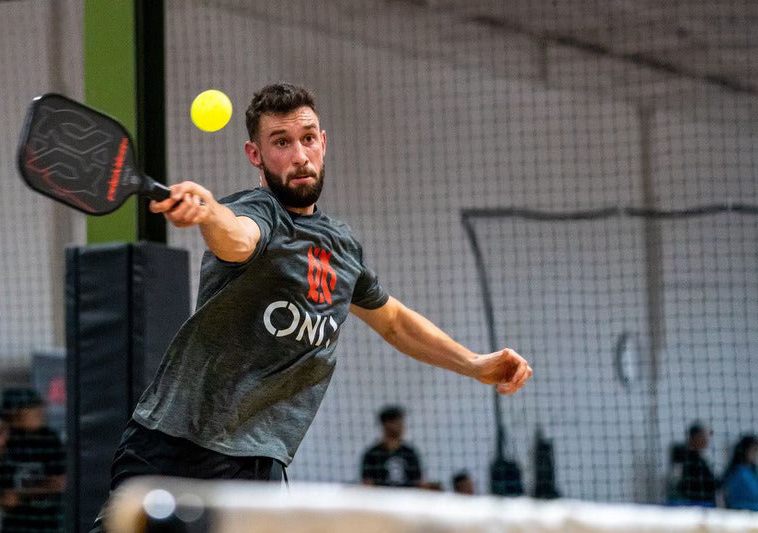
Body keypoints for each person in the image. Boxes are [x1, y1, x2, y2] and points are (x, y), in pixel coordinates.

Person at [90, 82, 532, 531]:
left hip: (260, 460)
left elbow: (395, 322)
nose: (299, 154)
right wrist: (207, 212)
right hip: (176, 444)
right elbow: (239, 237)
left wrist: (474, 363)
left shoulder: (342, 246)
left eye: (307, 138)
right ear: (255, 155)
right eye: (281, 142)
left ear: (323, 142)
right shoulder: (258, 212)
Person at [0, 388, 65, 533]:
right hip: (16, 528)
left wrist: (21, 495)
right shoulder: (9, 442)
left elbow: (61, 483)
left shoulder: (49, 440)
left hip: (47, 526)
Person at [360, 406, 423, 487]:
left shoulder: (409, 453)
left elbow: (418, 482)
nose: (402, 425)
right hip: (381, 498)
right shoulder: (372, 455)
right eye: (397, 421)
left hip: (406, 498)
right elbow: (367, 484)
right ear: (386, 424)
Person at [674, 422, 716, 506]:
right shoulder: (687, 459)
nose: (707, 439)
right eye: (704, 436)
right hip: (694, 506)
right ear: (696, 437)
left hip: (702, 505)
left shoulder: (697, 459)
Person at [721, 434, 758, 511]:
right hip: (742, 513)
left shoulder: (751, 471)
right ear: (745, 450)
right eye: (753, 450)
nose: (755, 454)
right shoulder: (739, 473)